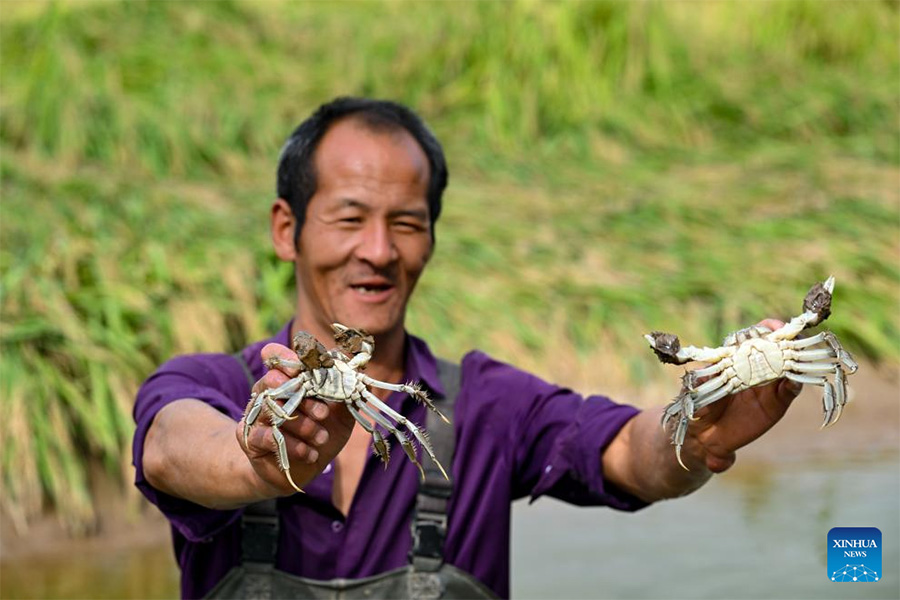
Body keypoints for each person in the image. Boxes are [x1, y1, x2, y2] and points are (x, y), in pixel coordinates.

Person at [133, 97, 802, 599]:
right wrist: (255, 462)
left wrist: (693, 427)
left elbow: (630, 452)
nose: (378, 250)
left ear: (431, 237)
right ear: (288, 230)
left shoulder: (485, 405)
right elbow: (170, 445)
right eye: (349, 218)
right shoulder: (218, 384)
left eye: (406, 223)